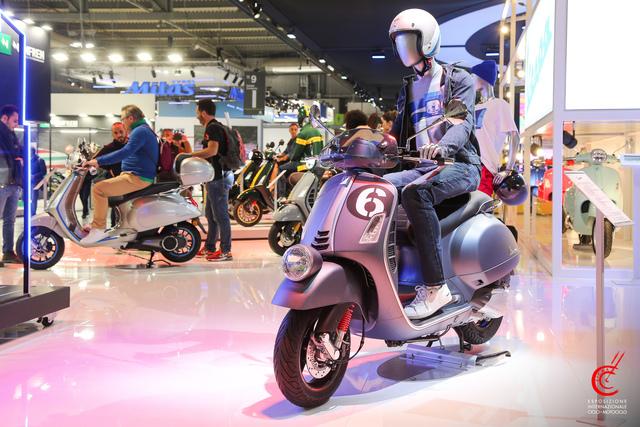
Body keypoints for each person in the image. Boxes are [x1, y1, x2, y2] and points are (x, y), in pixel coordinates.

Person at [385, 9, 481, 320]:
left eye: (408, 41)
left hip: (460, 165)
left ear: (427, 41)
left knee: (415, 193)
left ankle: (435, 287)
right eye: (398, 43)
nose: (403, 48)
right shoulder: (407, 88)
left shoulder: (457, 78)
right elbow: (396, 135)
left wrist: (443, 147)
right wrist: (372, 149)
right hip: (424, 168)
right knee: (380, 188)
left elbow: (462, 124)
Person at [81, 105, 158, 244]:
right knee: (114, 197)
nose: (122, 122)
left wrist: (98, 161)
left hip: (137, 177)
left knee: (99, 189)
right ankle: (122, 231)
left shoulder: (140, 131)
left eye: (123, 119)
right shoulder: (142, 130)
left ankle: (98, 229)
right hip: (132, 175)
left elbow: (125, 152)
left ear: (131, 118)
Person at [191, 99, 233, 262]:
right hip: (215, 177)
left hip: (218, 178)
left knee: (221, 215)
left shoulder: (213, 127)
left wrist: (189, 155)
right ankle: (210, 247)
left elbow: (212, 151)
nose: (197, 116)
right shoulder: (217, 126)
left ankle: (226, 251)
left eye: (197, 112)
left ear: (203, 112)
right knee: (210, 213)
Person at [471, 60, 520, 196]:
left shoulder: (499, 104)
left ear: (482, 78)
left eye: (473, 76)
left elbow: (514, 136)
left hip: (485, 167)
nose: (471, 80)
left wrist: (508, 169)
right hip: (469, 166)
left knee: (479, 205)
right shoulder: (474, 107)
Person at [0, 104, 23, 265]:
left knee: (10, 220)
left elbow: (19, 153)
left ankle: (8, 252)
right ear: (4, 118)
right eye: (14, 121)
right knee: (8, 219)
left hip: (13, 183)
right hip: (2, 183)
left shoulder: (12, 135)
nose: (16, 124)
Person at [30, 147, 47, 216]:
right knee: (27, 198)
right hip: (29, 182)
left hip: (36, 182)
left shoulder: (40, 160)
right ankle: (30, 211)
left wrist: (34, 176)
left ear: (32, 152)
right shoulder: (28, 160)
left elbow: (44, 172)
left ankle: (32, 213)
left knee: (33, 198)